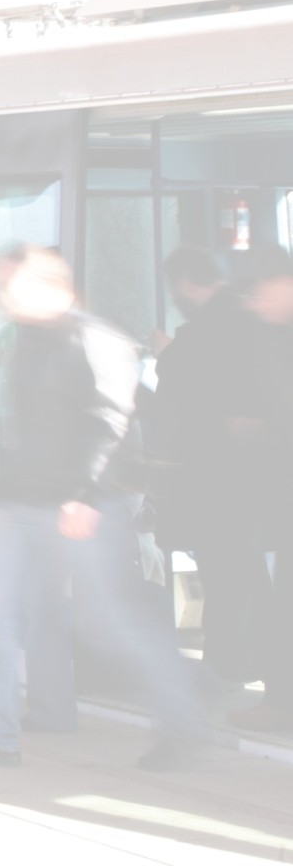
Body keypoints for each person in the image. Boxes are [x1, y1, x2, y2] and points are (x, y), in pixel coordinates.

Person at [0, 246, 205, 770]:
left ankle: (183, 721)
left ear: (52, 288)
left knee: (110, 623)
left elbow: (109, 422)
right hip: (23, 504)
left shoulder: (93, 340)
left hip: (84, 508)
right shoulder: (25, 341)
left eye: (7, 286)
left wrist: (83, 494)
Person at [146, 246, 266, 694]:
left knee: (225, 569)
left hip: (219, 474)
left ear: (186, 284)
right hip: (240, 473)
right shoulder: (241, 313)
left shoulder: (213, 324)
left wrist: (166, 352)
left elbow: (193, 381)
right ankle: (241, 657)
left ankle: (226, 664)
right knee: (240, 568)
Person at [217, 249, 293, 730]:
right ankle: (279, 698)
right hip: (277, 493)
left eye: (255, 290)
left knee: (283, 601)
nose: (250, 302)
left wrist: (253, 428)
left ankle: (280, 701)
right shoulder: (268, 335)